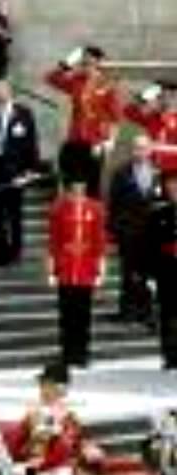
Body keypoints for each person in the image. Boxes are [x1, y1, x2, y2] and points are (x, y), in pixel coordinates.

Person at [47, 179, 109, 368]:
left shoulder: (96, 208)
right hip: (66, 267)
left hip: (86, 267)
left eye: (81, 185)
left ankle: (81, 353)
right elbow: (54, 241)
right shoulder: (59, 208)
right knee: (66, 314)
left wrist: (100, 270)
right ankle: (67, 352)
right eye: (75, 185)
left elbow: (99, 241)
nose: (78, 189)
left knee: (83, 314)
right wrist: (52, 270)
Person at [46, 46, 122, 199]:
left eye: (89, 60)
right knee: (69, 181)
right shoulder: (77, 80)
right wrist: (66, 64)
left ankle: (92, 218)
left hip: (94, 144)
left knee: (92, 187)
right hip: (74, 140)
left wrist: (109, 142)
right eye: (83, 60)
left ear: (98, 62)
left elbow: (116, 117)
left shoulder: (107, 85)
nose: (85, 63)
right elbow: (51, 78)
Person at [0, 77, 39, 266]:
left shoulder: (23, 113)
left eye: (3, 89)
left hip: (14, 170)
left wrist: (30, 169)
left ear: (10, 91)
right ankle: (0, 251)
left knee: (14, 213)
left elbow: (31, 143)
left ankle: (15, 250)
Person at [107, 135, 160, 326]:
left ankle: (146, 311)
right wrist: (114, 231)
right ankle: (127, 311)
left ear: (150, 150)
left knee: (148, 275)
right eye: (137, 148)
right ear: (132, 150)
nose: (140, 152)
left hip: (151, 235)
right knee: (128, 273)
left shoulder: (158, 173)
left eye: (144, 148)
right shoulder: (121, 173)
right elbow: (113, 205)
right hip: (128, 232)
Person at [149, 170, 177, 370]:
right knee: (167, 314)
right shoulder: (158, 213)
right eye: (171, 186)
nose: (174, 189)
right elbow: (149, 245)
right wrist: (149, 274)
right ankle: (169, 354)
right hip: (166, 271)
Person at [124, 81, 177, 175]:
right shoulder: (152, 117)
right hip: (152, 167)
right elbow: (128, 111)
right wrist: (145, 97)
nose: (163, 100)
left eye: (168, 96)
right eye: (160, 97)